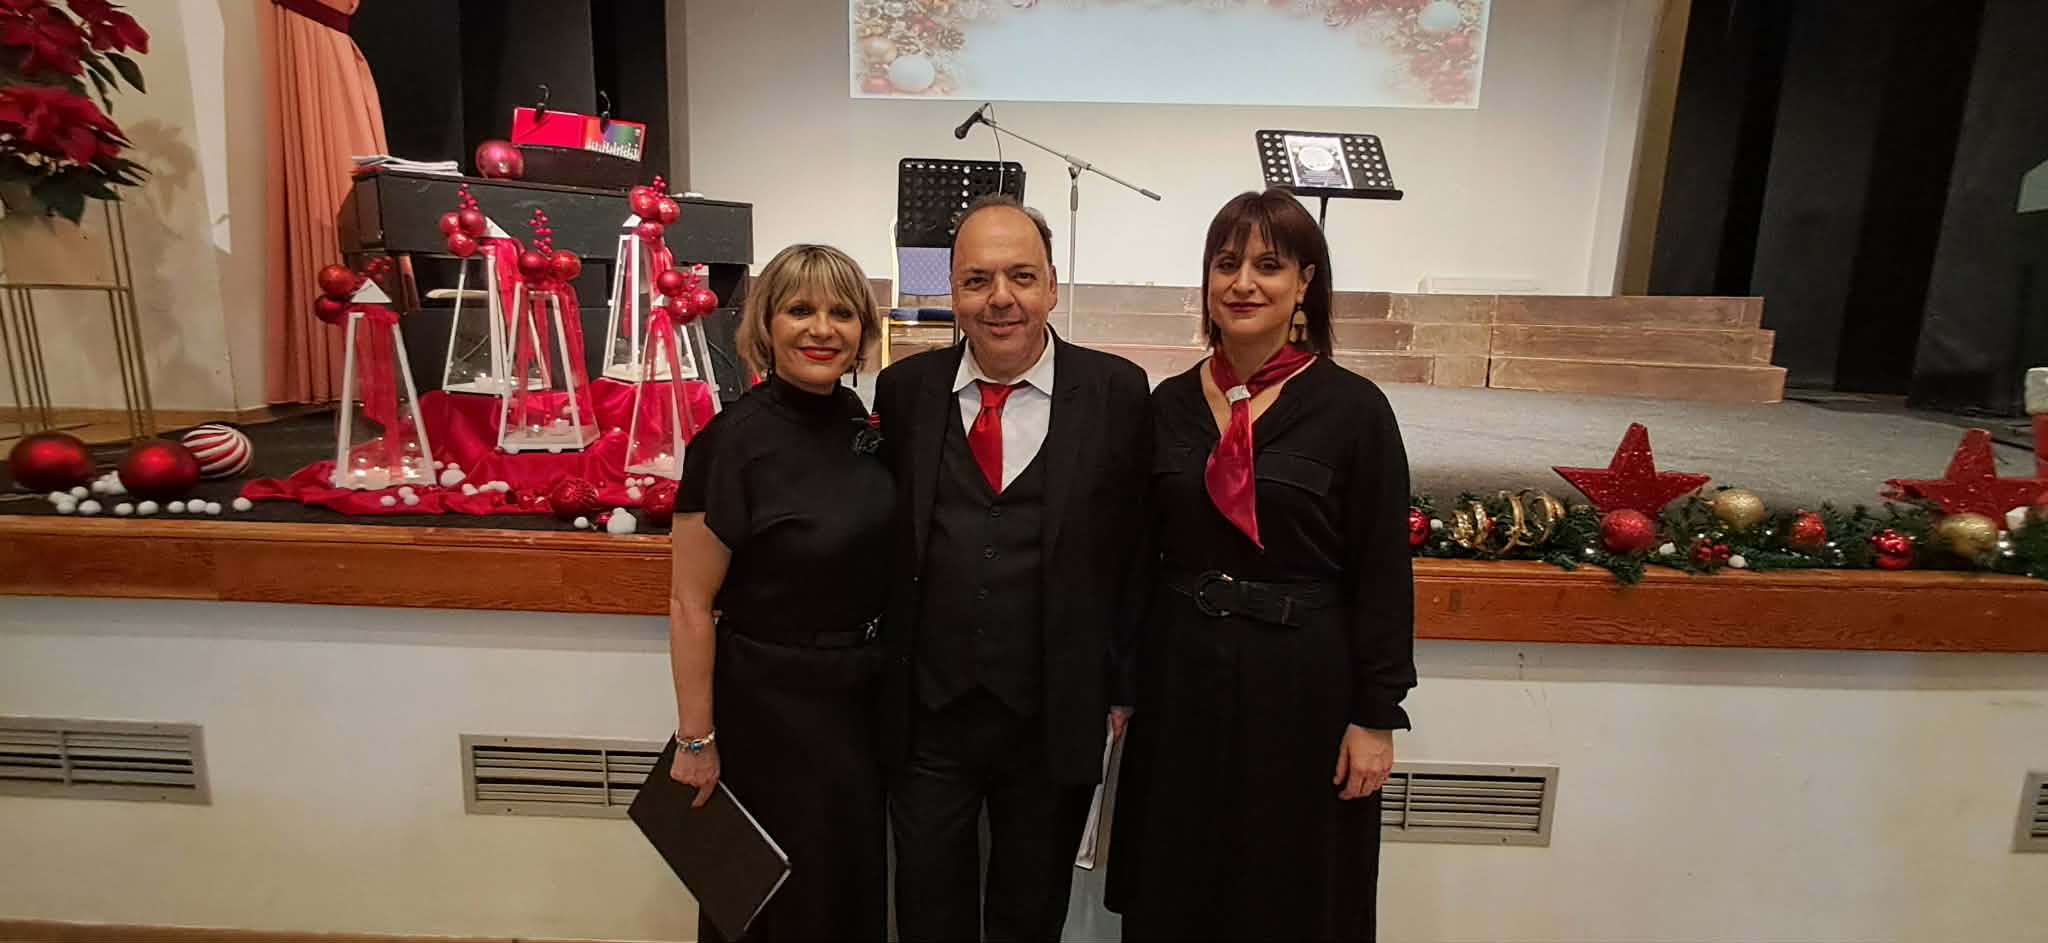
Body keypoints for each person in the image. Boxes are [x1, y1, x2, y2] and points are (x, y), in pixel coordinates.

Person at [1106, 189, 1417, 942]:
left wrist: (1376, 715)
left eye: (1268, 266)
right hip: (1181, 680)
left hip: (1303, 687)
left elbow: (1382, 572)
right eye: (1226, 263)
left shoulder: (1354, 410)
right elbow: (1136, 557)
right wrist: (1122, 685)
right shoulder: (1167, 404)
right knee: (1176, 886)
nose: (1243, 283)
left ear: (1305, 283)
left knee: (1288, 893)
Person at [874, 194, 1152, 942]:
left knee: (1030, 914)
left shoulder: (1117, 392)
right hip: (929, 715)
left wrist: (1122, 684)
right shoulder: (905, 392)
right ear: (952, 291)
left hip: (1053, 713)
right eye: (977, 279)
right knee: (925, 910)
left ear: (1052, 286)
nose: (1001, 298)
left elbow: (1135, 552)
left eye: (1022, 276)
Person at [666, 244, 892, 942]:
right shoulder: (729, 442)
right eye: (800, 310)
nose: (821, 328)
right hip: (767, 708)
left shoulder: (861, 424)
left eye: (841, 313)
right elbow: (689, 603)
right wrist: (695, 739)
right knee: (770, 902)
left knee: (845, 890)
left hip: (857, 703)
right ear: (767, 323)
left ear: (862, 330)